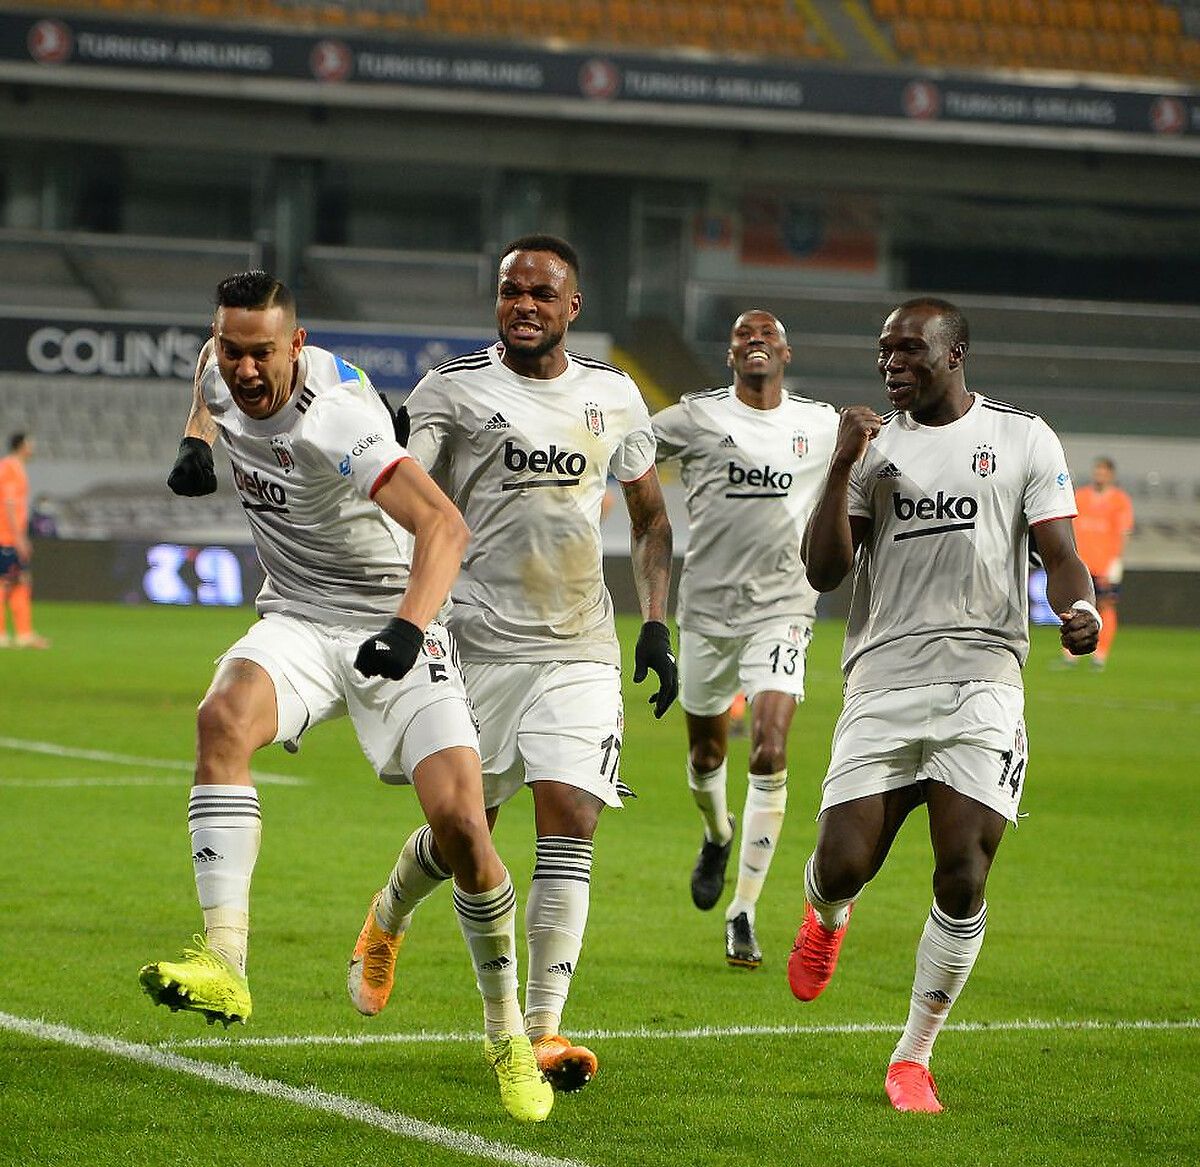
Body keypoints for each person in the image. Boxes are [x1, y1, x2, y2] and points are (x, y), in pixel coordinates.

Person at [139, 270, 553, 1124]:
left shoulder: (339, 419)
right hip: (296, 618)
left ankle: (507, 1030)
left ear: (297, 346)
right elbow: (204, 385)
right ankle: (225, 960)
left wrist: (407, 627)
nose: (244, 369)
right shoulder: (217, 368)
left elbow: (444, 527)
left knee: (466, 829)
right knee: (220, 718)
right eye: (231, 348)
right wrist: (198, 444)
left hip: (391, 625)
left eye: (262, 353)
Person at [350, 234, 677, 1096]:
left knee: (571, 813)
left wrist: (656, 626)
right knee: (467, 835)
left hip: (578, 644)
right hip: (472, 643)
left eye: (542, 292)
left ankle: (542, 1031)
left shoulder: (614, 396)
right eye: (510, 291)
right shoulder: (450, 390)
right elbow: (408, 502)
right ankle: (387, 916)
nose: (524, 304)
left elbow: (649, 518)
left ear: (573, 307)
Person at [788, 297, 1100, 1114]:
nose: (891, 365)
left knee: (963, 871)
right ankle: (825, 915)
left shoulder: (1023, 437)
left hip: (983, 684)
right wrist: (842, 461)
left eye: (908, 351)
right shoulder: (869, 445)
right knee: (842, 864)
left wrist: (1081, 609)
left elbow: (1060, 554)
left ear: (955, 351)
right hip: (883, 681)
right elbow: (823, 572)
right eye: (883, 352)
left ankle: (912, 1058)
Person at [651, 310, 838, 969]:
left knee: (769, 746)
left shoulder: (820, 425)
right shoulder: (694, 418)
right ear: (730, 354)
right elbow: (626, 451)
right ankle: (716, 833)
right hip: (704, 611)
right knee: (706, 756)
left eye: (766, 335)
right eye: (742, 336)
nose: (755, 342)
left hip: (783, 609)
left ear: (786, 351)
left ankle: (744, 911)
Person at [1063, 456, 1133, 670]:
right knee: (1074, 606)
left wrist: (1116, 561)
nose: (1099, 475)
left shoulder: (1120, 500)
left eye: (1103, 472)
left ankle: (1100, 654)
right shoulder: (1081, 496)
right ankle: (1069, 653)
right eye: (1097, 471)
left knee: (1105, 606)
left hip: (1105, 564)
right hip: (1081, 562)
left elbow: (1124, 532)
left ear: (1111, 475)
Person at [0, 433, 50, 650]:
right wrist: (19, 538)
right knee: (5, 584)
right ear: (20, 446)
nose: (33, 448)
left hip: (12, 536)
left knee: (21, 581)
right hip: (6, 537)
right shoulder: (10, 467)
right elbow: (9, 504)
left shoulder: (16, 467)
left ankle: (23, 633)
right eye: (30, 444)